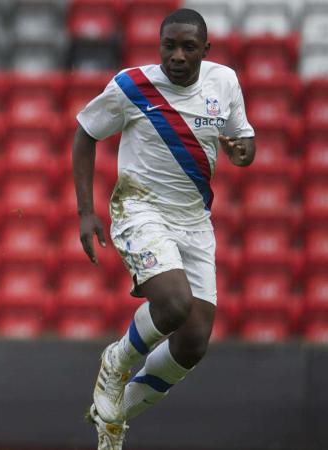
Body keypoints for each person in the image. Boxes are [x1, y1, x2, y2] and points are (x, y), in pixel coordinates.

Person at [72, 8, 255, 450]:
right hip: (140, 209)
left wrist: (241, 151)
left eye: (187, 47)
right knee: (173, 306)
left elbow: (245, 146)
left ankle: (113, 419)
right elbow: (84, 134)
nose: (176, 55)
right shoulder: (131, 86)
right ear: (158, 46)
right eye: (168, 45)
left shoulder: (224, 83)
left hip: (194, 220)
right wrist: (85, 211)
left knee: (193, 342)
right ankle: (115, 364)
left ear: (204, 51)